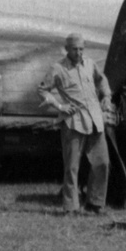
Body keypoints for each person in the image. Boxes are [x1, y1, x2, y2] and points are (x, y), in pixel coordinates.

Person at [38, 32, 114, 213]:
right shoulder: (57, 68)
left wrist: (107, 97)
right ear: (67, 49)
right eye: (75, 49)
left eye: (81, 49)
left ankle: (95, 203)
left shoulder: (90, 64)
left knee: (102, 162)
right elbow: (42, 90)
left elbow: (102, 81)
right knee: (72, 166)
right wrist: (59, 105)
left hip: (96, 120)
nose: (79, 53)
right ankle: (70, 207)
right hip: (74, 122)